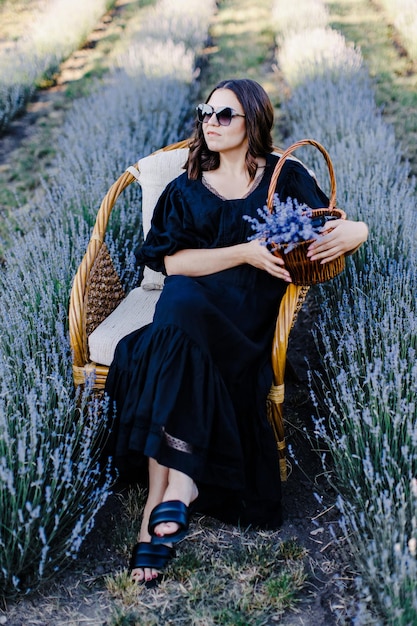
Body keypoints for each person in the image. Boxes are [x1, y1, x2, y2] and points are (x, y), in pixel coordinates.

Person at [105, 78, 368, 587]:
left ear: (253, 121)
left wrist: (359, 230)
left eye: (224, 114)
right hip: (193, 304)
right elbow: (174, 263)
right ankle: (174, 495)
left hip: (247, 317)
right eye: (206, 112)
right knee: (177, 315)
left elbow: (335, 223)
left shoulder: (283, 176)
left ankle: (156, 520)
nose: (210, 121)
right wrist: (244, 252)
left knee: (167, 345)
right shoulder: (186, 186)